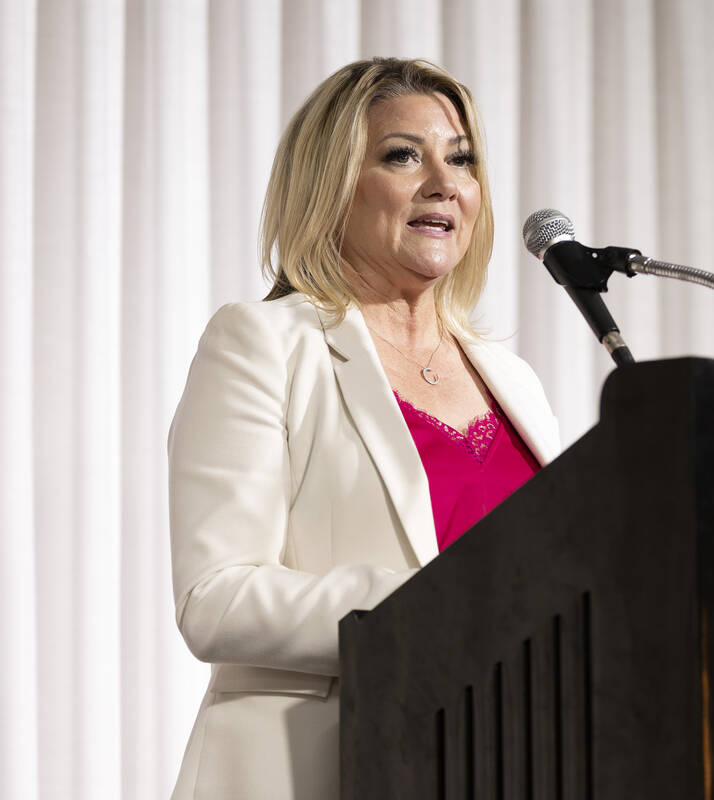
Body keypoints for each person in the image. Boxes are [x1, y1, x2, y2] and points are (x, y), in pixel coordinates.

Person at [168, 58, 560, 800]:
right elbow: (214, 599)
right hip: (325, 769)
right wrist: (436, 605)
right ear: (333, 183)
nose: (444, 182)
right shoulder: (264, 343)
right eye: (403, 155)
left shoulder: (515, 382)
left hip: (509, 762)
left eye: (462, 158)